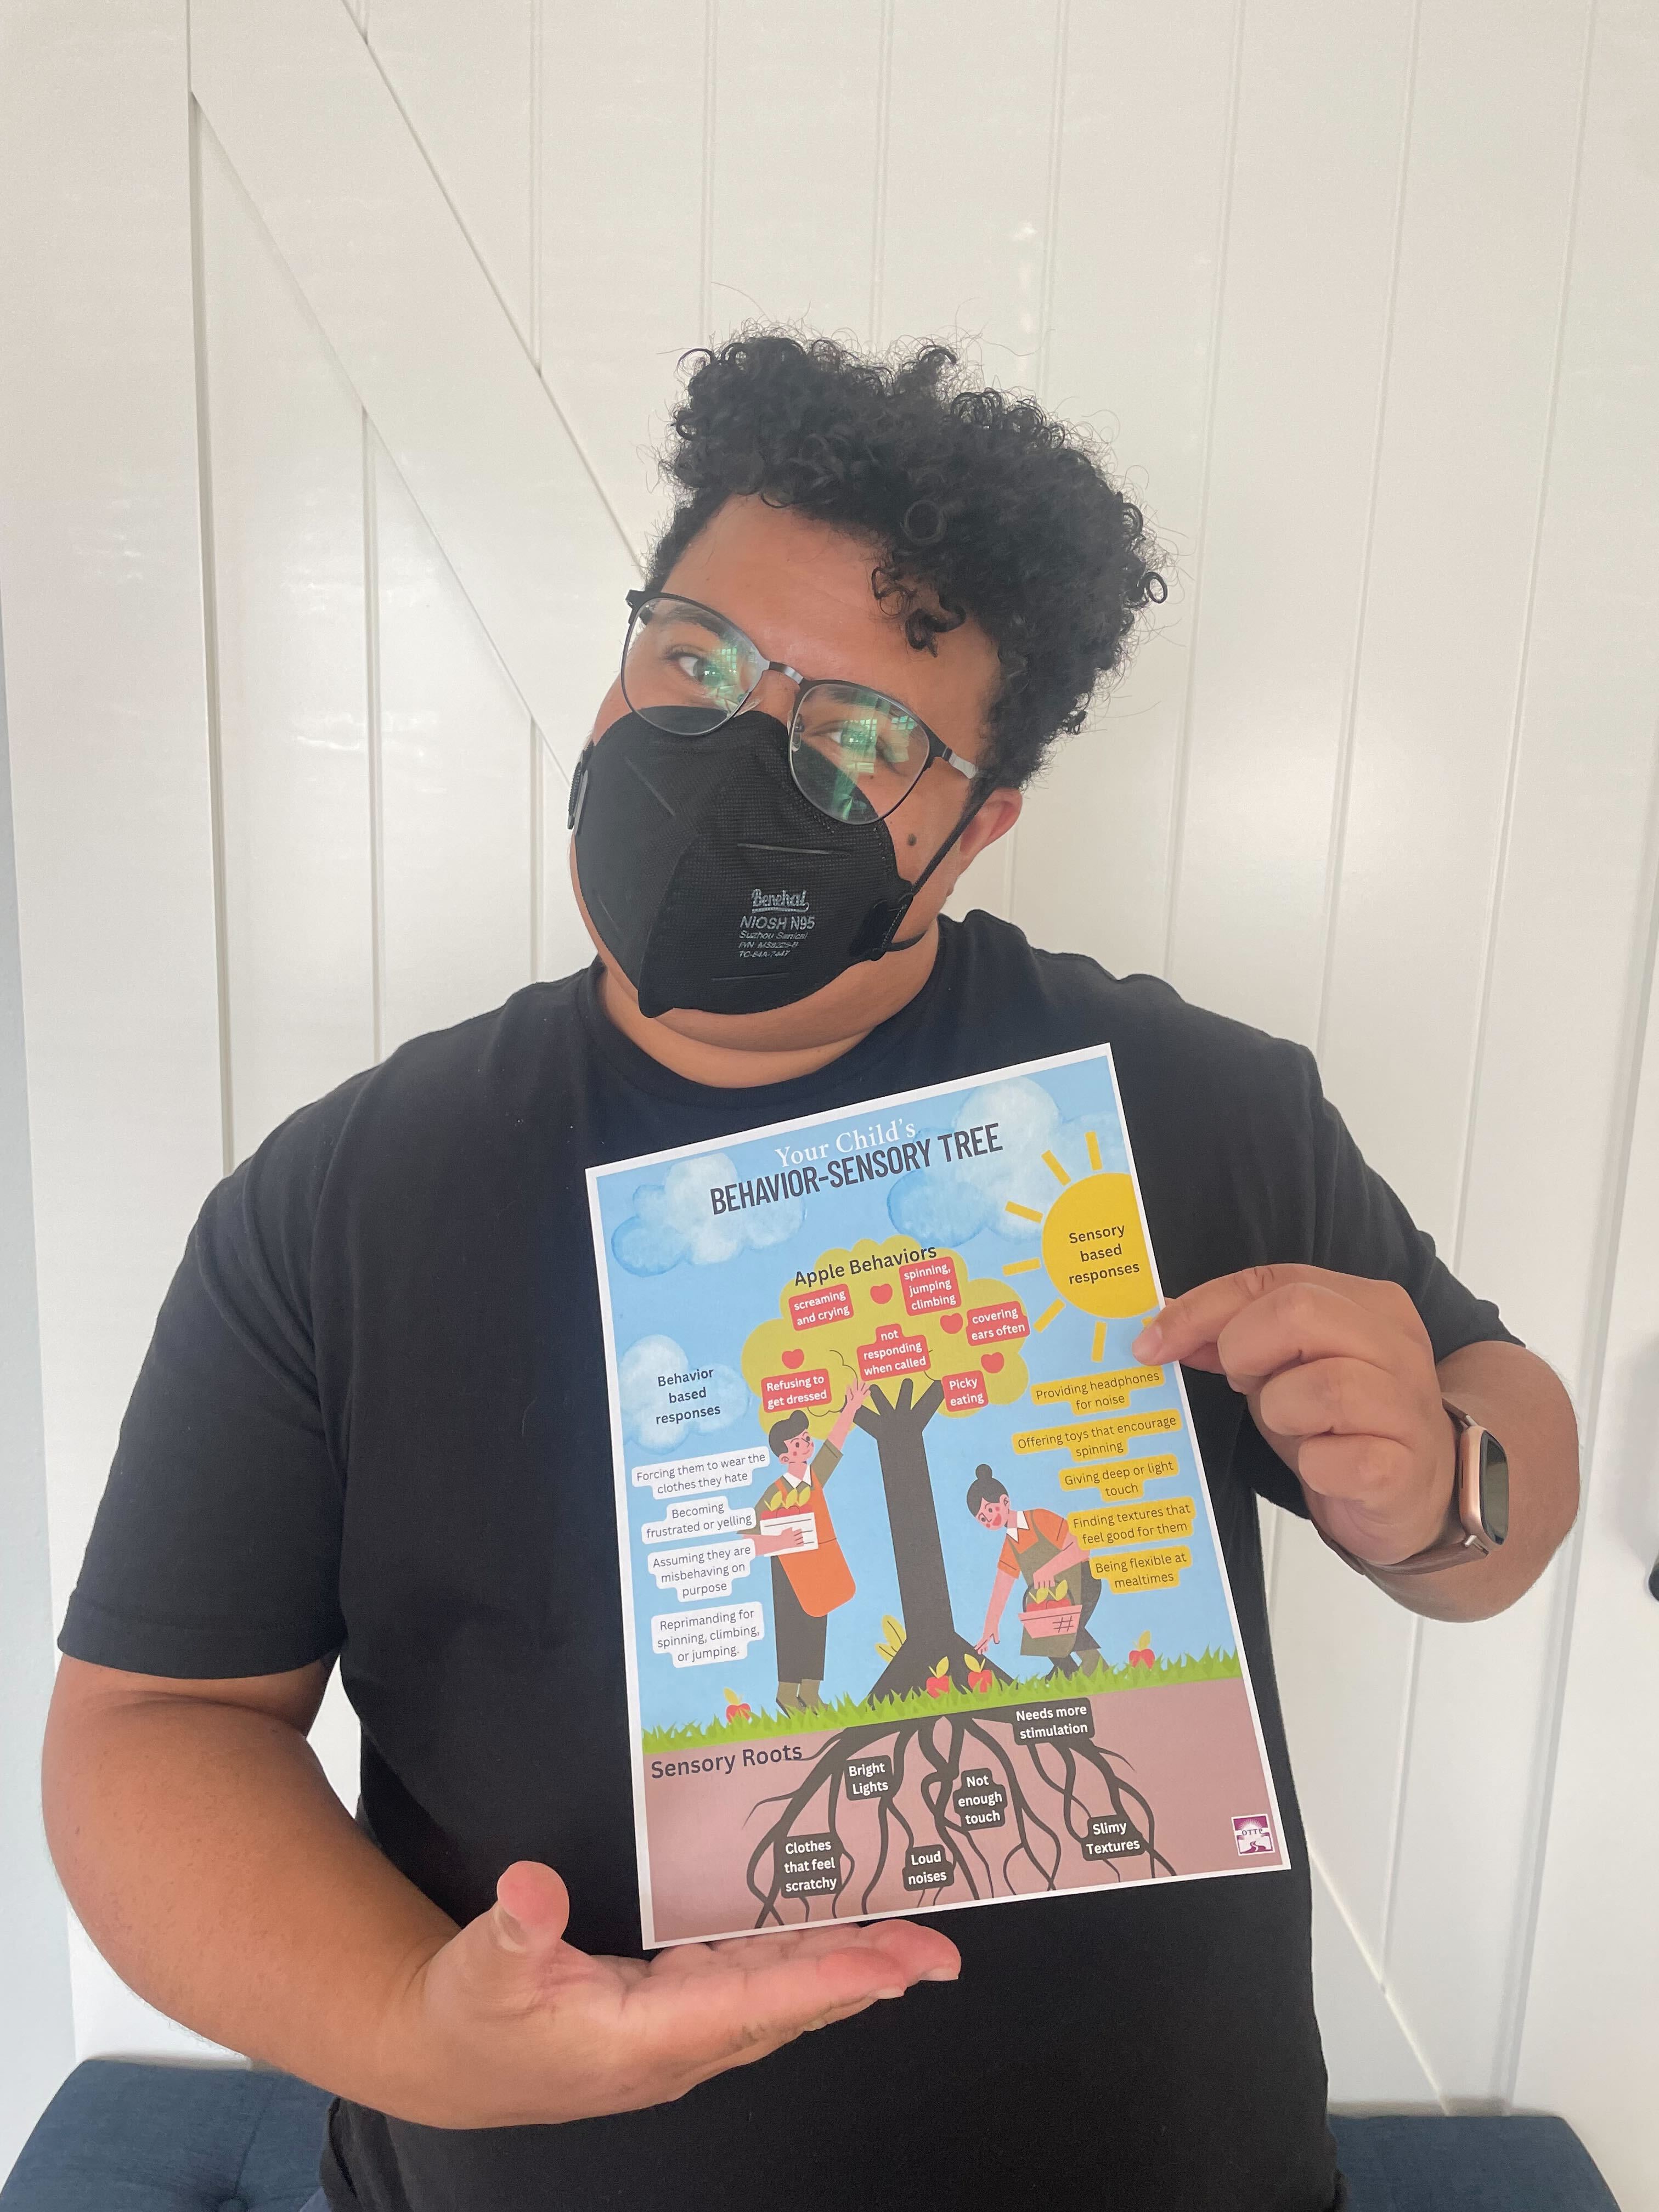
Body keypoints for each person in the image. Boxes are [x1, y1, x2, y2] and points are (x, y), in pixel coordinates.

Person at [43, 334, 1579, 2212]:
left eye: (858, 734)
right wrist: (421, 2032)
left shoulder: (1187, 1105)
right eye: (696, 659)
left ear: (975, 827)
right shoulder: (339, 1198)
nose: (734, 752)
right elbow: (155, 1726)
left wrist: (1445, 1491)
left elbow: (1499, 1435)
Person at [759, 1381, 870, 1711]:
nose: (807, 1442)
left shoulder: (815, 1478)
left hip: (818, 1562)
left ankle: (809, 1692)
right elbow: (750, 1535)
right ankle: (786, 1693)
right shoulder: (776, 1491)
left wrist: (851, 1408)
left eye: (806, 1437)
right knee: (791, 1627)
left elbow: (833, 1445)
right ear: (785, 1457)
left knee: (817, 1621)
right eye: (798, 1442)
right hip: (787, 1568)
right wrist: (779, 1541)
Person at [967, 1465, 1102, 1678]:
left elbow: (1082, 1547)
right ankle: (1068, 1672)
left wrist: (1049, 1569)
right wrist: (990, 1626)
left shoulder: (1038, 1518)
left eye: (990, 1510)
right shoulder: (1010, 1545)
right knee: (1041, 1626)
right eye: (983, 1519)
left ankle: (1093, 1665)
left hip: (1083, 1578)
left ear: (1005, 1501)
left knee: (1058, 1625)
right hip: (1057, 1595)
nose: (990, 1519)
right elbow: (1002, 1585)